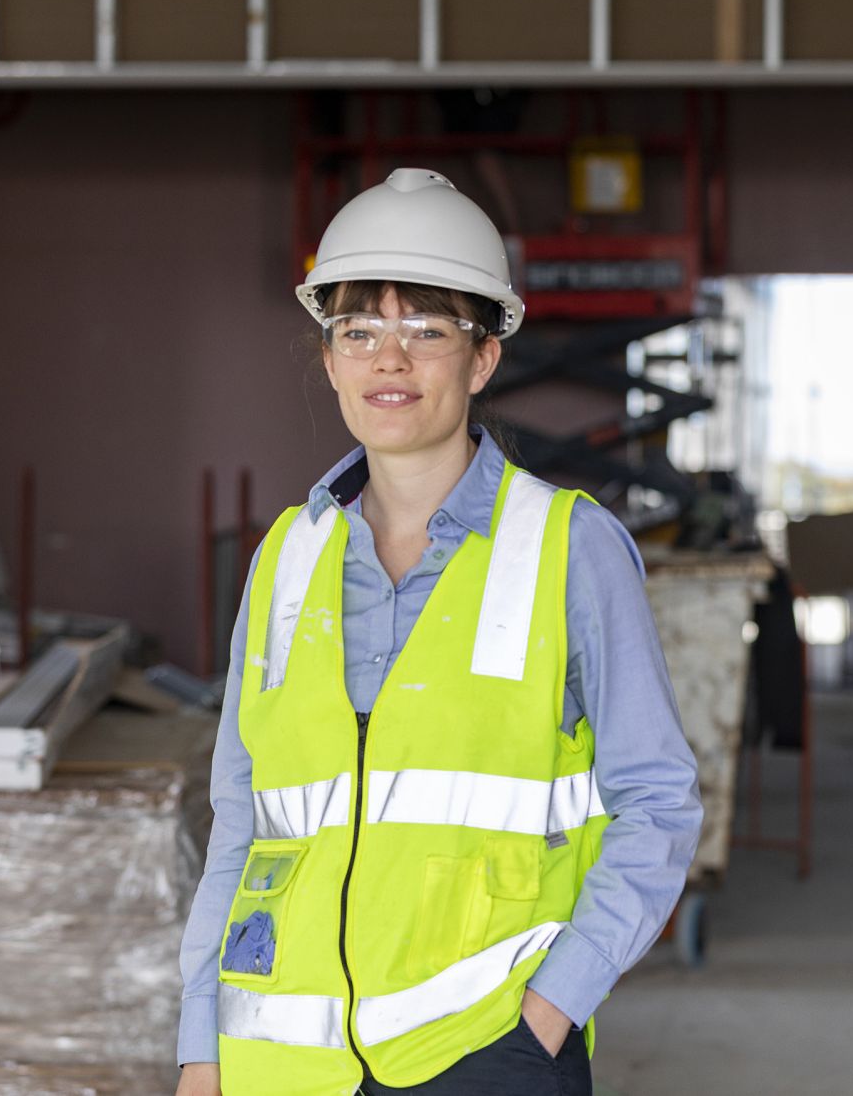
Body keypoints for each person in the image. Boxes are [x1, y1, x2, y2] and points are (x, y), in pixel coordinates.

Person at [175, 167, 702, 1096]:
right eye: (359, 331)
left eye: (426, 331)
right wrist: (201, 1046)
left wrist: (549, 1010)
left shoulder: (570, 548)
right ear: (330, 356)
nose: (390, 361)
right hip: (281, 1067)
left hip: (484, 1053)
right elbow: (243, 824)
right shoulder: (282, 561)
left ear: (482, 358)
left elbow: (657, 804)